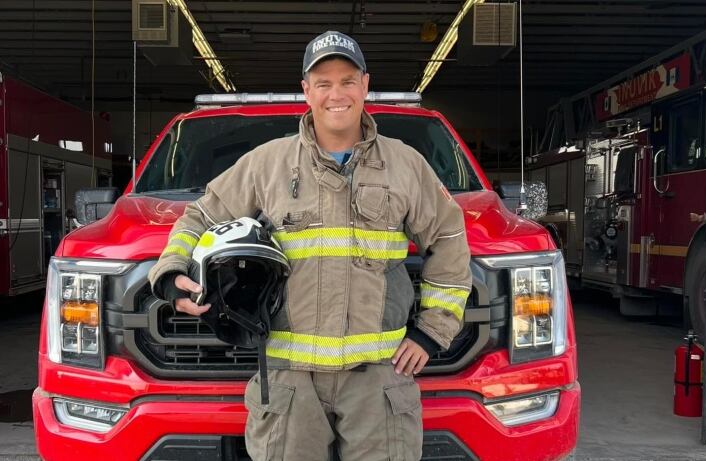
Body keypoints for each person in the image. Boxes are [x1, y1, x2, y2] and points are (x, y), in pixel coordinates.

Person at [148, 30, 472, 461]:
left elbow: (449, 238)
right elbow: (200, 217)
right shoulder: (267, 164)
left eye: (347, 81)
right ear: (306, 91)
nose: (336, 94)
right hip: (289, 382)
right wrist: (171, 274)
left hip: (378, 380)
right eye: (323, 83)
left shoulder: (406, 165)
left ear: (365, 85)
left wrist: (432, 331)